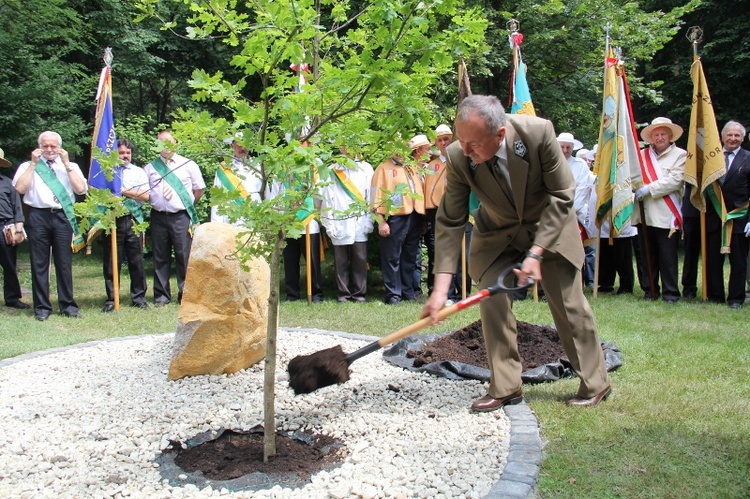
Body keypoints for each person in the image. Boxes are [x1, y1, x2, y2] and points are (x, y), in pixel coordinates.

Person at [422, 95, 611, 411]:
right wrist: (440, 290)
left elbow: (562, 194)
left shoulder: (537, 133)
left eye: (474, 144)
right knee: (492, 300)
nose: (465, 151)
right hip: (498, 234)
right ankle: (506, 386)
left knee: (568, 305)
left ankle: (595, 381)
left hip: (550, 228)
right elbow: (450, 219)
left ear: (500, 134)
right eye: (461, 141)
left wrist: (536, 253)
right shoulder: (457, 155)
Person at [12, 131, 88, 320]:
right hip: (38, 216)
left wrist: (68, 165)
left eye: (53, 146)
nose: (49, 150)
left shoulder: (70, 166)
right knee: (39, 263)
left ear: (60, 147)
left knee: (64, 263)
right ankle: (42, 308)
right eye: (45, 146)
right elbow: (19, 189)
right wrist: (33, 164)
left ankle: (68, 306)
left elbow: (80, 189)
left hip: (62, 216)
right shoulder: (27, 166)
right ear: (39, 147)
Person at [144, 130, 205, 307]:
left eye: (169, 142)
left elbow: (198, 189)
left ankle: (185, 294)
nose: (165, 147)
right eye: (161, 143)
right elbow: (145, 192)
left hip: (180, 216)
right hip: (158, 216)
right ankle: (161, 296)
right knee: (160, 256)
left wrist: (188, 203)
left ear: (175, 144)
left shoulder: (188, 164)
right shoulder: (150, 168)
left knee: (183, 255)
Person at [632, 117, 686, 303]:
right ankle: (650, 290)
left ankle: (670, 293)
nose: (660, 137)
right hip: (644, 211)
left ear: (670, 136)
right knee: (647, 254)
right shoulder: (641, 155)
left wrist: (649, 188)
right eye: (656, 134)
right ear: (651, 137)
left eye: (663, 134)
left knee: (668, 256)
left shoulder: (680, 155)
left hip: (666, 213)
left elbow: (675, 180)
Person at [700, 121, 750, 308]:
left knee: (738, 262)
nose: (733, 138)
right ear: (722, 137)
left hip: (739, 218)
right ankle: (715, 295)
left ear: (742, 138)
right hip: (714, 217)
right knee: (713, 259)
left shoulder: (748, 158)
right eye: (729, 135)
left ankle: (736, 298)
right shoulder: (711, 158)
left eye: (737, 135)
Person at [371, 137, 425, 305]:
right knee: (392, 257)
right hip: (393, 217)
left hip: (414, 216)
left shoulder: (410, 168)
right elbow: (375, 197)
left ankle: (407, 291)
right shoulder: (383, 168)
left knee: (410, 257)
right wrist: (381, 221)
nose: (401, 152)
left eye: (405, 148)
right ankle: (393, 294)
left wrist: (422, 218)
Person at [320, 146, 374, 303]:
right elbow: (327, 199)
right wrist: (328, 222)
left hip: (359, 219)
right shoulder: (332, 169)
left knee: (360, 258)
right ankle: (343, 294)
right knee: (341, 260)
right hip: (339, 219)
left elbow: (370, 196)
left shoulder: (365, 168)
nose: (349, 148)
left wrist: (369, 220)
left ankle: (359, 294)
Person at [101, 139, 149, 312]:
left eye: (128, 153)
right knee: (111, 260)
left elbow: (145, 195)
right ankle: (112, 299)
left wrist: (122, 191)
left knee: (136, 260)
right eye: (121, 153)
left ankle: (139, 297)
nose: (125, 156)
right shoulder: (107, 172)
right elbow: (98, 194)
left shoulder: (138, 172)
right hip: (113, 220)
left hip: (133, 219)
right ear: (115, 153)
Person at [557, 132, 596, 287]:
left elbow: (582, 191)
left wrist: (567, 212)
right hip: (551, 216)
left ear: (572, 148)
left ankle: (574, 286)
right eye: (562, 147)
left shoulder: (580, 166)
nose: (565, 150)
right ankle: (550, 287)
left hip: (574, 216)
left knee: (574, 253)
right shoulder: (547, 162)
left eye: (568, 147)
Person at [210, 132, 263, 224]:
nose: (242, 148)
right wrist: (216, 225)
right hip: (232, 218)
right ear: (232, 145)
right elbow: (217, 198)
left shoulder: (259, 166)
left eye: (245, 144)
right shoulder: (224, 168)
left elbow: (267, 195)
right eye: (239, 144)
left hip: (256, 217)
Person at [0, 147, 30, 309]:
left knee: (10, 265)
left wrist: (18, 230)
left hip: (5, 227)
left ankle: (12, 298)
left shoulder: (7, 183)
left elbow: (17, 209)